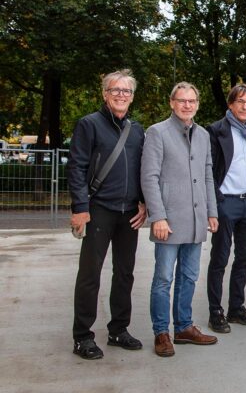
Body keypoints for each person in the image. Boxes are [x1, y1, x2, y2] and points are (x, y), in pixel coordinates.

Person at [68, 69, 146, 360]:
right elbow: (76, 167)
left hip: (129, 213)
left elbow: (141, 171)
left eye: (126, 91)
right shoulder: (89, 124)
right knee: (90, 275)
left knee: (125, 274)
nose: (121, 95)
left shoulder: (137, 130)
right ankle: (82, 336)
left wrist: (143, 203)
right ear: (104, 93)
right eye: (115, 90)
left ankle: (118, 330)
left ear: (132, 97)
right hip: (98, 209)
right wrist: (80, 208)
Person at [142, 82, 220, 357]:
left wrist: (212, 211)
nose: (187, 105)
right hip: (169, 220)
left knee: (189, 276)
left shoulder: (203, 135)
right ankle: (161, 332)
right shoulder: (157, 132)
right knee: (163, 278)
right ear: (172, 103)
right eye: (182, 100)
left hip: (197, 219)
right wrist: (158, 217)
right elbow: (149, 177)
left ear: (197, 104)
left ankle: (184, 327)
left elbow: (208, 174)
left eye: (192, 101)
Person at [206, 84, 246, 333]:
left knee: (244, 258)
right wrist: (213, 203)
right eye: (240, 101)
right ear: (230, 104)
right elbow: (208, 169)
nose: (245, 106)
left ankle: (236, 308)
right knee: (220, 258)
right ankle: (215, 311)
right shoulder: (216, 131)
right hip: (226, 202)